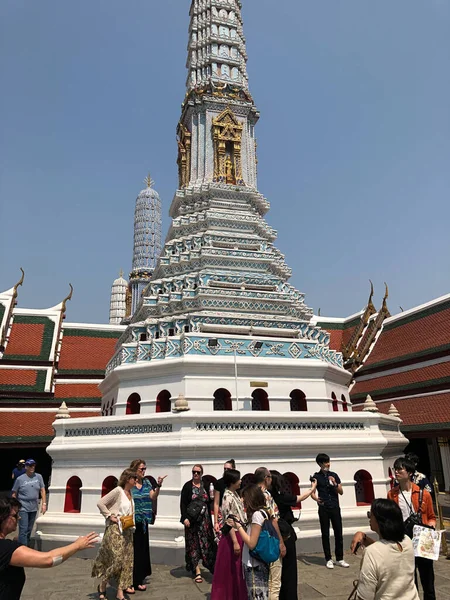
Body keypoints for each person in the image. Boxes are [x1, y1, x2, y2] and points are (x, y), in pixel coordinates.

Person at [0, 496, 98, 600]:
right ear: (2, 518)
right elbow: (49, 560)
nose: (19, 518)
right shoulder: (6, 548)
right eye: (15, 515)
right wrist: (77, 545)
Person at [350, 498, 419, 600]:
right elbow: (386, 553)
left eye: (371, 515)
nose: (369, 518)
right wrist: (365, 538)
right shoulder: (407, 541)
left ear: (380, 521)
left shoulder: (371, 553)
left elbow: (365, 596)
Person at [269, 471, 317, 600]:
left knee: (276, 573)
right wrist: (312, 488)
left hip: (271, 537)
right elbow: (299, 498)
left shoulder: (267, 497)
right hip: (285, 536)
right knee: (289, 572)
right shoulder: (280, 498)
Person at [92, 469, 137, 600]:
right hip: (115, 530)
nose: (136, 480)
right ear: (128, 479)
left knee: (126, 562)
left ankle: (120, 592)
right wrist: (109, 515)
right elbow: (101, 503)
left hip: (128, 531)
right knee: (116, 560)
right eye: (134, 478)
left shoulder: (130, 493)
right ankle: (103, 585)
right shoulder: (118, 491)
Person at [126, 459, 167, 594]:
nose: (144, 471)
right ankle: (128, 581)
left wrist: (159, 486)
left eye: (145, 469)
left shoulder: (147, 482)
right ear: (134, 470)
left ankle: (139, 579)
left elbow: (153, 496)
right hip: (131, 522)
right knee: (131, 552)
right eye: (141, 469)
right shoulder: (130, 484)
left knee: (142, 551)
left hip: (143, 522)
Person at [210, 468, 247, 600]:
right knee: (232, 569)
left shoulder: (234, 494)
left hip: (240, 532)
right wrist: (235, 542)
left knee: (237, 569)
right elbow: (229, 520)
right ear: (232, 482)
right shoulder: (227, 496)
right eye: (238, 479)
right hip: (233, 536)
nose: (241, 481)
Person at [229, 484, 270, 600]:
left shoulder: (257, 515)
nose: (242, 501)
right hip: (254, 563)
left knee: (257, 596)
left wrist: (238, 526)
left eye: (244, 498)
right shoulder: (259, 513)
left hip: (254, 565)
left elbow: (251, 543)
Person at [311, 453, 349, 569]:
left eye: (328, 461)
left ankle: (340, 558)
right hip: (323, 507)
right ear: (320, 464)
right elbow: (312, 492)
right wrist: (316, 499)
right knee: (325, 533)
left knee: (338, 532)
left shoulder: (334, 475)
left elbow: (341, 491)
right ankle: (328, 558)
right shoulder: (316, 477)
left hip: (335, 506)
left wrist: (335, 483)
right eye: (325, 462)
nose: (328, 464)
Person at [180, 464, 216, 583]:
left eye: (198, 472)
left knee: (207, 544)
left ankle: (211, 566)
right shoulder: (187, 486)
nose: (195, 474)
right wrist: (184, 518)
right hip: (192, 521)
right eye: (193, 472)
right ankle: (197, 570)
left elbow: (210, 500)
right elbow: (183, 504)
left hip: (204, 521)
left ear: (201, 474)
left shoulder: (205, 485)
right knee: (193, 545)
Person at [254, 467, 285, 600]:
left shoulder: (249, 493)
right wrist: (281, 542)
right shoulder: (266, 495)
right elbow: (274, 520)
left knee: (259, 581)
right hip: (269, 539)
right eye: (270, 477)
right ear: (266, 478)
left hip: (254, 539)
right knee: (274, 580)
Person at [11, 459, 46, 547]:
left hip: (34, 506)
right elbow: (14, 493)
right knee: (23, 529)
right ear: (26, 467)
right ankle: (23, 548)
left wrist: (44, 504)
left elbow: (42, 490)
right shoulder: (20, 479)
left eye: (34, 465)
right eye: (30, 465)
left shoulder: (38, 477)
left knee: (30, 529)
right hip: (23, 506)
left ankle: (23, 544)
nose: (32, 467)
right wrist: (14, 507)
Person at [213, 459, 236, 534]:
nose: (226, 470)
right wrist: (216, 522)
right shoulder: (219, 483)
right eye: (224, 469)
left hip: (235, 514)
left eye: (228, 469)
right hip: (222, 515)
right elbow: (216, 503)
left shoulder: (237, 483)